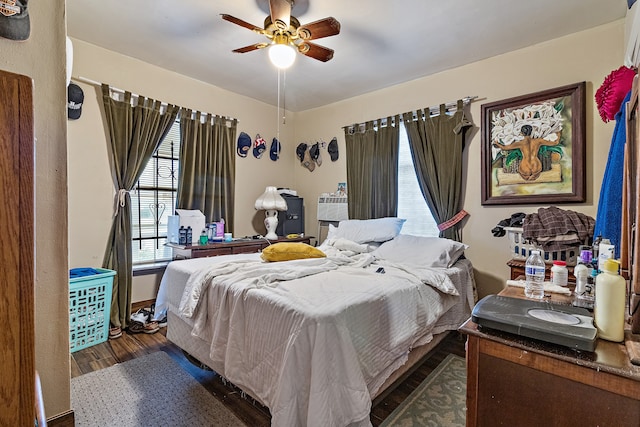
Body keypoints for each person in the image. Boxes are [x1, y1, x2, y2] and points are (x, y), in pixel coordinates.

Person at [493, 124, 562, 181]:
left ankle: (528, 177)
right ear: (532, 132)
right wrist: (558, 133)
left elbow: (504, 147)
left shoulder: (520, 143)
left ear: (522, 133)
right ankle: (534, 176)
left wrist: (496, 142)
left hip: (524, 166)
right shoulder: (537, 141)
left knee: (526, 178)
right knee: (534, 177)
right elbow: (555, 142)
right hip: (536, 165)